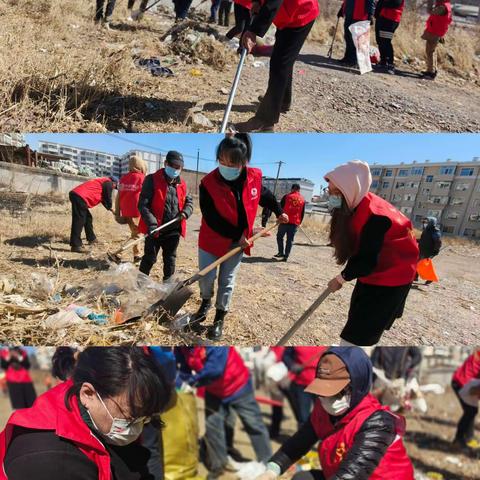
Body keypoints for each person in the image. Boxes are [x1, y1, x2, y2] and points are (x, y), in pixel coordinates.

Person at [0, 347, 173, 480]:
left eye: (144, 419)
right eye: (129, 419)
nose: (137, 429)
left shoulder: (99, 414)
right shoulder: (50, 462)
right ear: (88, 394)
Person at [255, 347, 415, 480]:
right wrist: (272, 469)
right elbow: (300, 441)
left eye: (337, 393)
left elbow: (352, 474)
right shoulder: (323, 408)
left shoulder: (377, 423)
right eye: (323, 392)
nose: (328, 399)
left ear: (358, 387)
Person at [189, 133, 288, 341]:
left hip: (236, 243)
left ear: (243, 163)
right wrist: (238, 234)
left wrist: (279, 211)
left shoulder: (253, 177)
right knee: (206, 278)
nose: (225, 166)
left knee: (227, 281)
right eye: (222, 161)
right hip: (211, 239)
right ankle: (205, 301)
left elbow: (266, 196)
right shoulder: (208, 183)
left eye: (232, 162)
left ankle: (219, 318)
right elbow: (211, 217)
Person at [324, 160, 419, 346]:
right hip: (375, 273)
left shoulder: (377, 216)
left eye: (336, 193)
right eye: (330, 192)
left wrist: (341, 278)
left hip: (392, 279)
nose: (332, 197)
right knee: (357, 319)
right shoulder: (357, 204)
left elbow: (366, 261)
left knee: (360, 333)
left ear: (351, 189)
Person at [176, 347, 272, 478]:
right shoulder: (182, 348)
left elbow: (215, 370)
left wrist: (192, 381)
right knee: (213, 429)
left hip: (238, 386)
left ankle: (268, 464)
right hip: (213, 391)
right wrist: (181, 380)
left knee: (254, 424)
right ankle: (218, 465)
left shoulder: (214, 344)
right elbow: (183, 368)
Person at [238, 0, 320, 132]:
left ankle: (265, 121)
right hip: (288, 13)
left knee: (280, 64)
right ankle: (283, 102)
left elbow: (273, 2)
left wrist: (254, 31)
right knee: (283, 61)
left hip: (301, 13)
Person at [138, 151, 194, 280]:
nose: (174, 169)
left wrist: (186, 212)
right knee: (149, 258)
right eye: (172, 165)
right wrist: (152, 223)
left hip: (173, 230)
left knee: (170, 259)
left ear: (181, 168)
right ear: (165, 163)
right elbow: (143, 204)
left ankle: (168, 287)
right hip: (155, 229)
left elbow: (189, 202)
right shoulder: (152, 179)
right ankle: (140, 283)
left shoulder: (182, 184)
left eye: (178, 167)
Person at [69, 175, 118, 253]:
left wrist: (110, 208)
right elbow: (107, 197)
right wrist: (110, 206)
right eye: (115, 187)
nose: (113, 189)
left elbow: (103, 199)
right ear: (114, 183)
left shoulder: (103, 182)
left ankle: (91, 239)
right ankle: (75, 245)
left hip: (78, 196)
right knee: (79, 220)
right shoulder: (108, 183)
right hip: (80, 196)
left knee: (88, 218)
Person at [115, 155, 148, 263]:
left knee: (135, 233)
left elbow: (118, 197)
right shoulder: (142, 178)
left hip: (126, 211)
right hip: (136, 211)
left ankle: (137, 255)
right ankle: (118, 253)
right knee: (137, 235)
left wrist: (117, 212)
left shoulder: (123, 178)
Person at [451, 349, 480, 449]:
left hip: (464, 383)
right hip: (461, 383)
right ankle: (458, 440)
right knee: (470, 411)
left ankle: (468, 438)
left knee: (471, 411)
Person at [337, 0, 375, 66]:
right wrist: (342, 9)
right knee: (347, 37)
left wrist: (370, 14)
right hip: (349, 13)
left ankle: (354, 61)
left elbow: (371, 1)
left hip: (359, 14)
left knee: (355, 40)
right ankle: (347, 58)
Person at [421, 0, 452, 80]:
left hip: (435, 32)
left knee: (430, 52)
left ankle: (431, 73)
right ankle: (431, 70)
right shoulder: (445, 5)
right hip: (435, 31)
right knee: (431, 52)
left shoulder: (443, 7)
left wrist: (430, 1)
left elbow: (430, 11)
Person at [275, 184, 306, 261]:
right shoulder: (302, 199)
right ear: (299, 190)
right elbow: (302, 213)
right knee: (290, 240)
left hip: (284, 221)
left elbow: (280, 208)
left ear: (292, 189)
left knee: (279, 237)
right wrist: (299, 222)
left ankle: (280, 252)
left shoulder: (286, 196)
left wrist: (278, 218)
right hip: (295, 223)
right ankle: (286, 256)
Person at [374, 0, 405, 74]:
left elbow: (395, 3)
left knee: (386, 41)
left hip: (391, 19)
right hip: (381, 17)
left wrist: (381, 3)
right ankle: (383, 61)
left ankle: (390, 64)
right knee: (379, 40)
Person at [417, 216, 442, 285]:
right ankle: (415, 276)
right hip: (422, 249)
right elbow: (423, 239)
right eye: (425, 222)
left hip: (428, 251)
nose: (425, 223)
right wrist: (416, 240)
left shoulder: (435, 231)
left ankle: (430, 278)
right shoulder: (426, 230)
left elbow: (438, 242)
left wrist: (436, 251)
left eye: (427, 222)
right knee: (419, 263)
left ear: (431, 223)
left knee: (423, 265)